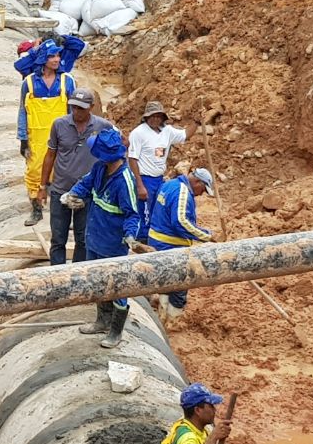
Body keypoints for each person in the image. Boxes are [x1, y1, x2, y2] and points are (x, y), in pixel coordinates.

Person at [62, 127, 142, 348]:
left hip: (113, 244)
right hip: (94, 237)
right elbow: (85, 183)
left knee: (117, 288)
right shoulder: (99, 169)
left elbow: (132, 214)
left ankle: (116, 332)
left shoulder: (124, 181)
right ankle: (101, 320)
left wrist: (130, 236)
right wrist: (74, 195)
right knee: (97, 282)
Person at [39, 88, 114, 263]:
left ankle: (77, 274)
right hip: (60, 189)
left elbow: (115, 152)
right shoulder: (59, 124)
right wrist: (42, 186)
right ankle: (57, 274)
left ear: (91, 107)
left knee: (83, 238)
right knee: (58, 238)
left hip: (87, 193)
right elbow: (50, 155)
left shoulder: (102, 127)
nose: (77, 112)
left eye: (81, 108)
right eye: (74, 107)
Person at [16, 36, 85, 225]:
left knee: (65, 173)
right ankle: (36, 209)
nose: (56, 59)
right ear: (42, 59)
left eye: (57, 55)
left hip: (63, 135)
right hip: (36, 137)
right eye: (51, 56)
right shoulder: (29, 83)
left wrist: (77, 135)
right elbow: (23, 111)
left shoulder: (66, 81)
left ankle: (64, 214)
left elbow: (75, 111)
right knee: (34, 172)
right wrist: (23, 138)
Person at [147, 169, 215, 324]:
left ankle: (163, 318)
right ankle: (173, 321)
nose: (200, 194)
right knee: (180, 285)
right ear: (197, 182)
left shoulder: (170, 184)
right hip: (169, 245)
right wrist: (207, 236)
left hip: (158, 240)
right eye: (203, 190)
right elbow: (180, 221)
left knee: (166, 282)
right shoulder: (182, 192)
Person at [127, 101, 197, 241]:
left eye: (158, 116)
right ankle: (142, 239)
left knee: (156, 210)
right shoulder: (138, 133)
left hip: (159, 179)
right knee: (144, 211)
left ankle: (153, 237)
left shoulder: (167, 131)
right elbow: (132, 159)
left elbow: (185, 134)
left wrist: (197, 122)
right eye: (152, 116)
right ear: (146, 117)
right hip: (144, 178)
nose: (155, 119)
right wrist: (140, 185)